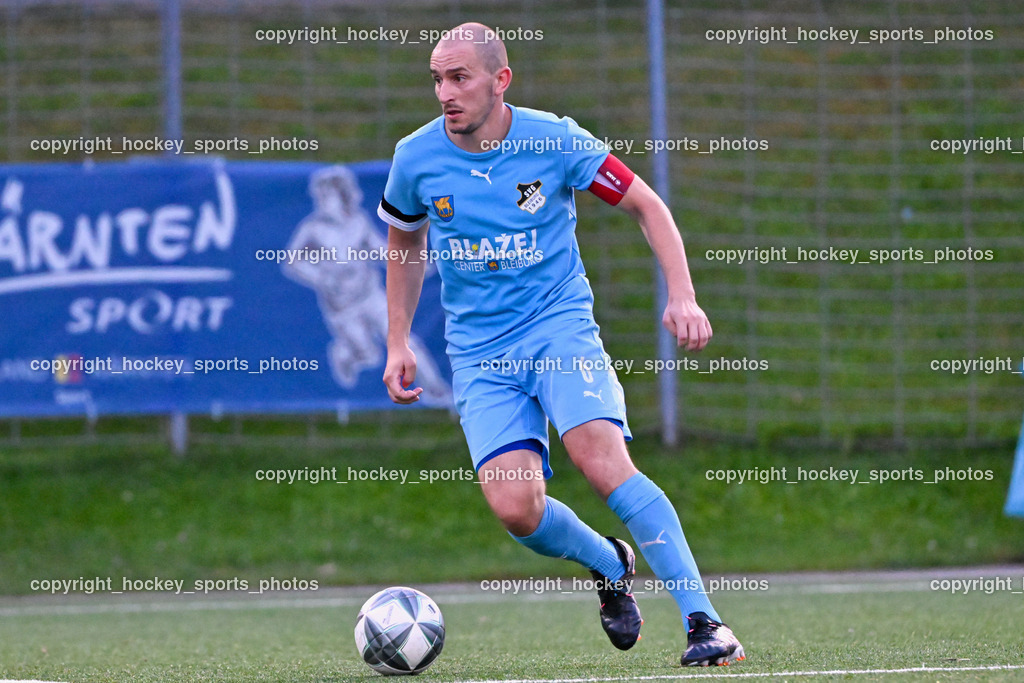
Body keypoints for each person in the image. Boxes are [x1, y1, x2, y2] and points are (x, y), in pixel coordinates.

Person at [378, 22, 744, 667]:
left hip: (557, 328)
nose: (445, 92)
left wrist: (682, 294)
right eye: (437, 78)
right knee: (517, 510)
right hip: (479, 352)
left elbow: (646, 205)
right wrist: (397, 339)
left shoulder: (554, 139)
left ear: (501, 79)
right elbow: (404, 242)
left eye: (459, 77)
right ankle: (609, 564)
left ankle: (705, 623)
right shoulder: (416, 157)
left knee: (601, 463)